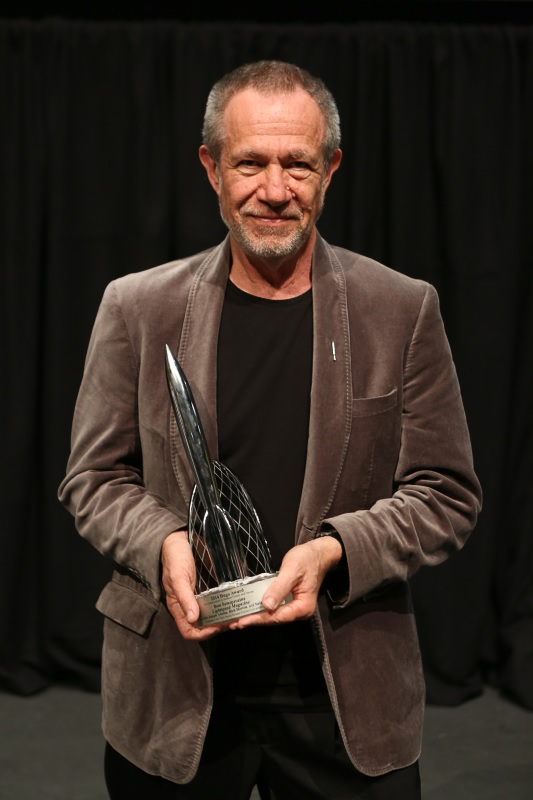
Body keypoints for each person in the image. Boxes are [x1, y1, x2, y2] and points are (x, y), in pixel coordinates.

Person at [59, 60, 481, 799]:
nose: (275, 190)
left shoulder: (400, 308)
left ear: (331, 170)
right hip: (175, 692)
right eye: (250, 162)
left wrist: (333, 551)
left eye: (298, 165)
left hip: (344, 693)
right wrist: (162, 544)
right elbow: (93, 480)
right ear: (211, 168)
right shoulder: (135, 307)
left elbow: (445, 493)